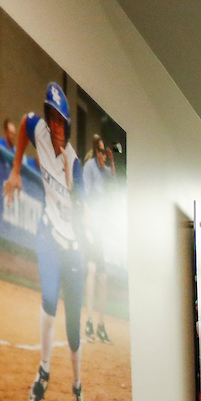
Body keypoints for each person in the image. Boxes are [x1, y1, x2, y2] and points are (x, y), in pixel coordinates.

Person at [2, 82, 87, 401]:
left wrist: (75, 197)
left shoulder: (75, 163)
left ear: (67, 124)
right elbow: (22, 124)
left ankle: (78, 387)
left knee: (74, 329)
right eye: (51, 117)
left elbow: (83, 209)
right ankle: (44, 372)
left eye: (59, 120)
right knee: (49, 300)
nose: (53, 125)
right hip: (48, 234)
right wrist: (16, 169)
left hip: (74, 248)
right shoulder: (36, 128)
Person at [82, 134, 113, 344]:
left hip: (100, 228)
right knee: (92, 270)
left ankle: (101, 325)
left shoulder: (104, 172)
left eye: (105, 152)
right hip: (89, 225)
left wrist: (112, 160)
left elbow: (115, 180)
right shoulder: (90, 168)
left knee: (103, 277)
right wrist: (87, 229)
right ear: (96, 152)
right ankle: (89, 321)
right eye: (101, 152)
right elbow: (84, 196)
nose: (103, 155)